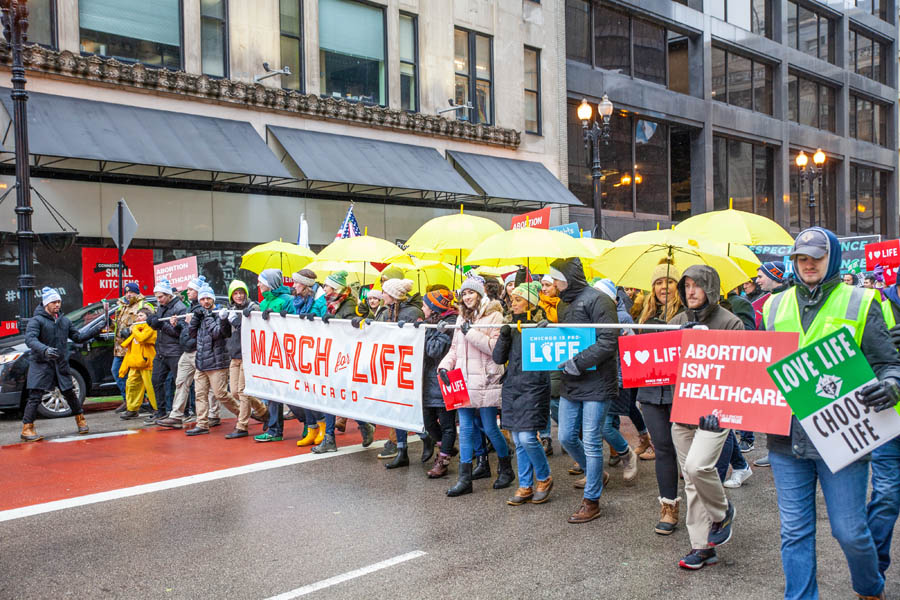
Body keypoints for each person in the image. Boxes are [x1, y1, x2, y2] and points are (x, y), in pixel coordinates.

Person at [762, 227, 900, 600]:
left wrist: (891, 385)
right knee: (795, 531)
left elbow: (889, 363)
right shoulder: (773, 306)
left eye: (816, 257)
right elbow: (756, 372)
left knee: (849, 530)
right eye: (801, 258)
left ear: (832, 258)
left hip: (844, 437)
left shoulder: (861, 301)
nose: (808, 264)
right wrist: (725, 413)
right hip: (786, 439)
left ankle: (870, 586)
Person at [668, 265, 743, 570]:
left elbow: (740, 369)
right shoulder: (676, 322)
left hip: (715, 412)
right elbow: (659, 360)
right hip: (682, 410)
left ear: (710, 287)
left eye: (697, 285)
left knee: (698, 467)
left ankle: (722, 511)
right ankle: (702, 547)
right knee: (690, 481)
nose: (691, 291)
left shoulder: (731, 322)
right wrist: (675, 338)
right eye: (686, 285)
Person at [549, 258, 618, 524]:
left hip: (597, 381)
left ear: (568, 279)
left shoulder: (600, 300)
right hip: (572, 380)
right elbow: (565, 337)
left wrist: (578, 362)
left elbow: (608, 340)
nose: (553, 283)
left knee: (591, 440)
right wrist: (547, 329)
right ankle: (596, 473)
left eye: (556, 278)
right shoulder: (563, 304)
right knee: (566, 436)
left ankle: (592, 500)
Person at [439, 274, 511, 497]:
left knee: (490, 427)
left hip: (486, 379)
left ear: (480, 294)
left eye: (471, 292)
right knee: (465, 428)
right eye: (464, 294)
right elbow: (454, 348)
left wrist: (469, 332)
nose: (467, 297)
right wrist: (444, 367)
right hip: (463, 379)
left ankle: (506, 468)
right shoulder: (462, 317)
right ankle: (465, 478)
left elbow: (495, 348)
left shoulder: (495, 315)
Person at [494, 281, 553, 505]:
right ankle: (525, 485)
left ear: (530, 302)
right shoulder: (510, 325)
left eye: (518, 299)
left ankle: (544, 477)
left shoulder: (541, 325)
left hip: (534, 386)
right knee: (518, 439)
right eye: (512, 299)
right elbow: (498, 358)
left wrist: (543, 332)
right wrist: (504, 335)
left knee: (528, 437)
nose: (513, 303)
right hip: (512, 385)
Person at [635, 259, 684, 535]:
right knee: (663, 448)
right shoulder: (645, 318)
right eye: (658, 282)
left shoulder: (688, 316)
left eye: (669, 281)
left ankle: (706, 507)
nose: (664, 287)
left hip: (681, 392)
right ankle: (668, 506)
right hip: (652, 393)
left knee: (689, 454)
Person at [20, 287, 101, 441]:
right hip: (41, 364)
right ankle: (27, 428)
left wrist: (97, 329)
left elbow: (78, 337)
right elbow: (30, 340)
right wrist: (45, 350)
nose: (57, 304)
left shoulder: (65, 321)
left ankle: (81, 421)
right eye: (54, 302)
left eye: (58, 301)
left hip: (60, 364)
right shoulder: (36, 321)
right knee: (35, 396)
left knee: (70, 393)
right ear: (46, 304)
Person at [311, 271, 377, 453]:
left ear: (335, 288)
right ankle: (331, 437)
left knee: (343, 397)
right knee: (330, 397)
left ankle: (363, 425)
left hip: (345, 358)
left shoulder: (348, 304)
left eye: (327, 285)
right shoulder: (331, 303)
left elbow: (349, 328)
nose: (324, 288)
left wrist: (333, 320)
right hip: (333, 354)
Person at [593, 277, 642, 480]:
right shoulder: (593, 316)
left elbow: (631, 349)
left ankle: (626, 452)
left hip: (617, 378)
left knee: (604, 425)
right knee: (607, 423)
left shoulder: (622, 318)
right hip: (600, 378)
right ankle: (601, 465)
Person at [373, 278, 425, 468]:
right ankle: (402, 450)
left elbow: (416, 340)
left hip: (407, 367)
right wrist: (364, 324)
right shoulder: (386, 311)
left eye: (384, 292)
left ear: (393, 295)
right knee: (396, 410)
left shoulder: (412, 313)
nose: (382, 295)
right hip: (391, 365)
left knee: (406, 409)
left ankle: (426, 437)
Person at [156, 276, 217, 429]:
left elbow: (205, 330)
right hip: (187, 350)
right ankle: (176, 415)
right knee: (181, 382)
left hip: (200, 350)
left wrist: (189, 323)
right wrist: (177, 325)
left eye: (190, 290)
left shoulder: (204, 307)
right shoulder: (190, 307)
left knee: (209, 385)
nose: (187, 292)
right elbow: (186, 330)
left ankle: (213, 414)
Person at [253, 268, 303, 442]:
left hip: (286, 354)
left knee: (290, 392)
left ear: (270, 283)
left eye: (261, 281)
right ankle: (274, 430)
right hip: (270, 353)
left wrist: (284, 318)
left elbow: (296, 324)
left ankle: (309, 422)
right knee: (273, 392)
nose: (258, 285)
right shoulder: (263, 302)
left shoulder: (287, 300)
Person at [185, 285, 236, 437]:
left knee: (221, 394)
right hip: (201, 361)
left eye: (208, 298)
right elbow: (192, 334)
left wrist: (207, 316)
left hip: (217, 361)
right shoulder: (200, 314)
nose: (205, 302)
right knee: (200, 394)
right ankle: (202, 424)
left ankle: (243, 413)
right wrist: (195, 319)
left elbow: (217, 333)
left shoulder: (219, 313)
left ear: (213, 299)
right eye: (202, 299)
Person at [224, 280, 268, 439]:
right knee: (235, 392)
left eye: (241, 292)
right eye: (235, 293)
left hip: (248, 355)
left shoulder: (253, 308)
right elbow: (226, 333)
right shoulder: (231, 309)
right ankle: (264, 411)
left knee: (243, 392)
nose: (239, 296)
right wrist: (223, 320)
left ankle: (242, 426)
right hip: (234, 355)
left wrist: (237, 321)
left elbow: (254, 331)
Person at [421, 289, 459, 478]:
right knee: (428, 422)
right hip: (428, 382)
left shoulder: (450, 325)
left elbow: (433, 350)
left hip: (446, 380)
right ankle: (446, 447)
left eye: (425, 305)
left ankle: (442, 460)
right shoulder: (430, 323)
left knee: (447, 424)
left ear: (433, 308)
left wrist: (430, 332)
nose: (422, 308)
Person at [146, 277, 186, 424]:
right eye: (157, 297)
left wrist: (161, 325)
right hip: (161, 350)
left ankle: (184, 411)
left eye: (161, 297)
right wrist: (152, 322)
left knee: (179, 383)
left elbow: (180, 332)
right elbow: (158, 325)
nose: (159, 300)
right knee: (156, 380)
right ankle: (161, 411)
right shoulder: (161, 306)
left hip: (175, 351)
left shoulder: (179, 308)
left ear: (169, 295)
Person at [537, 273, 567, 455]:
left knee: (556, 399)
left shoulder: (564, 305)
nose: (544, 289)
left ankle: (567, 434)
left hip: (560, 354)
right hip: (542, 355)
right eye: (542, 285)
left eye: (548, 285)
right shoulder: (537, 306)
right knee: (542, 399)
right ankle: (545, 437)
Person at [111, 282, 153, 410]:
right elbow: (119, 325)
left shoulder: (144, 305)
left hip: (135, 347)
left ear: (137, 292)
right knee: (117, 372)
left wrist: (130, 330)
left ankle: (140, 402)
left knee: (139, 378)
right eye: (127, 292)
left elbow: (149, 324)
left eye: (131, 292)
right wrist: (110, 323)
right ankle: (128, 400)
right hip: (120, 347)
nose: (128, 295)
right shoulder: (122, 306)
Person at [118, 307, 158, 419]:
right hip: (135, 364)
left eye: (141, 315)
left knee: (151, 388)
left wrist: (133, 329)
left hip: (147, 364)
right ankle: (132, 409)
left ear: (147, 317)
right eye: (137, 316)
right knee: (131, 386)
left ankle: (157, 409)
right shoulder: (137, 328)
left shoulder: (150, 328)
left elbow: (142, 338)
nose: (138, 318)